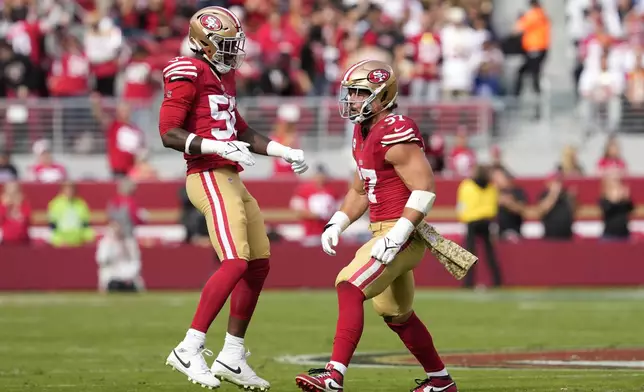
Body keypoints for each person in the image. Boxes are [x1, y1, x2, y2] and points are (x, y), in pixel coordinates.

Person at [157, 6, 309, 391]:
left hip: (230, 176)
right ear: (203, 43)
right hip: (206, 174)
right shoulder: (187, 70)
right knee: (237, 260)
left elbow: (239, 129)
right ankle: (190, 347)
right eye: (225, 44)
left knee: (258, 263)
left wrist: (281, 150)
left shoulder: (223, 76)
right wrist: (218, 147)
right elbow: (168, 133)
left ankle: (232, 355)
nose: (233, 51)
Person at [294, 60, 457, 392]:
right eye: (351, 92)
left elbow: (425, 189)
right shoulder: (362, 130)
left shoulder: (396, 129)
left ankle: (334, 376)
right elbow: (361, 188)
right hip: (383, 230)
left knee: (349, 285)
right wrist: (337, 222)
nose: (353, 99)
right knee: (397, 313)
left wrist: (397, 235)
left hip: (403, 232)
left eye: (360, 93)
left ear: (384, 95)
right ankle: (440, 383)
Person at [456, 165, 502, 288]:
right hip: (486, 221)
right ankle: (497, 281)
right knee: (489, 253)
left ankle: (468, 282)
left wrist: (462, 217)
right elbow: (494, 205)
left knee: (469, 253)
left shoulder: (466, 185)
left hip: (471, 221)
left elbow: (461, 205)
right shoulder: (491, 186)